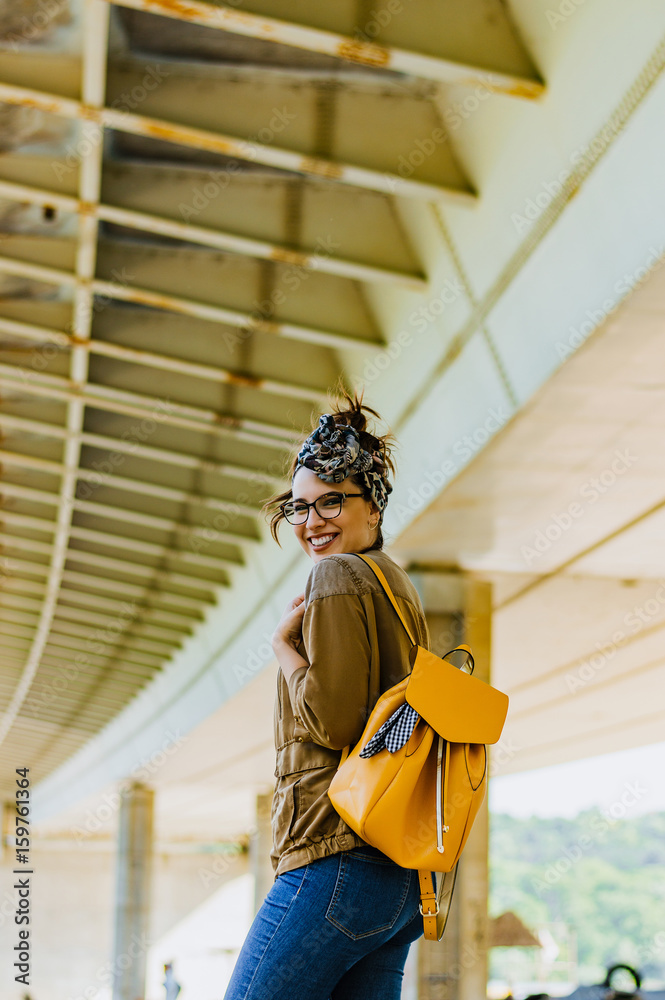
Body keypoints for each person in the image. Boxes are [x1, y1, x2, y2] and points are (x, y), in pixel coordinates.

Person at [223, 389, 435, 1000]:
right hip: (397, 878)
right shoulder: (397, 587)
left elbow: (336, 721)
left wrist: (286, 654)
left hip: (332, 856)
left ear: (374, 507)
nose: (312, 522)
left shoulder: (337, 575)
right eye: (300, 507)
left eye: (332, 502)